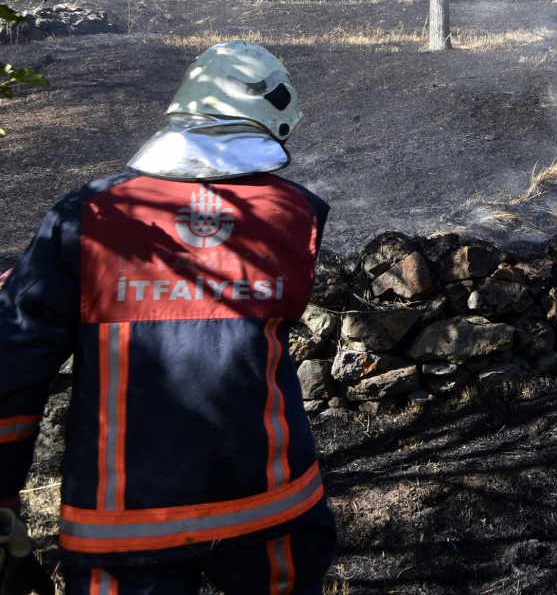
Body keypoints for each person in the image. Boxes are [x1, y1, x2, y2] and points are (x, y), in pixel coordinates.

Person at [0, 42, 335, 595]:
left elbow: (12, 364)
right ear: (274, 118)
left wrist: (5, 488)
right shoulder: (297, 214)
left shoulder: (87, 216)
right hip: (270, 504)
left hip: (121, 522)